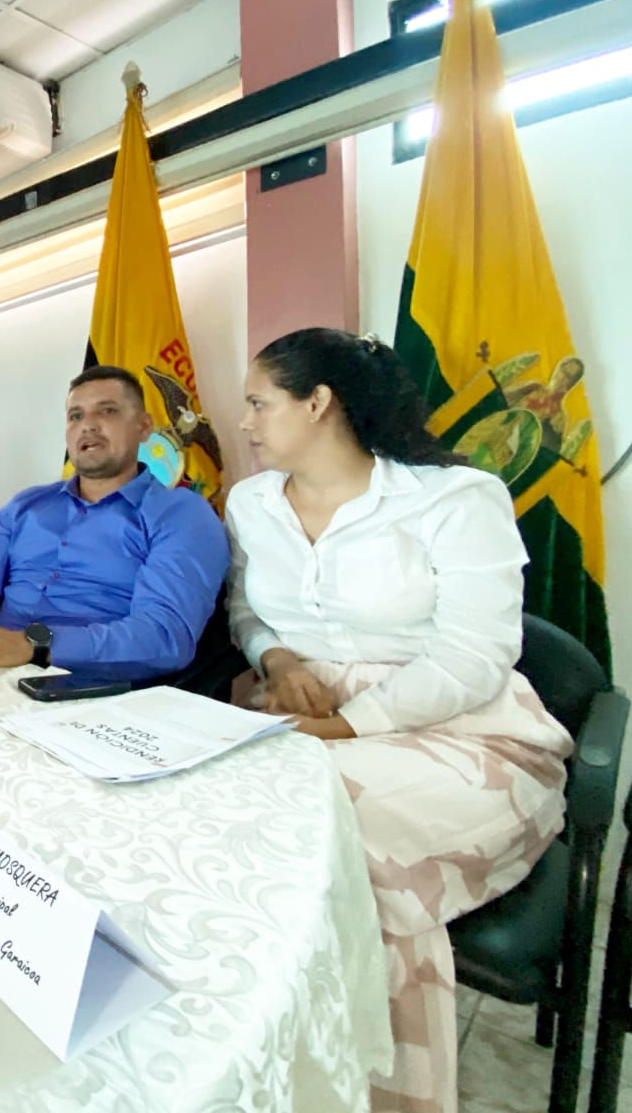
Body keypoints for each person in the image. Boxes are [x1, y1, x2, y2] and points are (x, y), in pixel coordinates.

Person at [225, 327, 573, 1113]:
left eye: (259, 403)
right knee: (233, 827)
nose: (244, 422)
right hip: (303, 717)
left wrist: (350, 726)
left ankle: (378, 1094)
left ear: (318, 403)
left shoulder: (455, 498)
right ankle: (254, 1068)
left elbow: (477, 655)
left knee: (337, 857)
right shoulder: (251, 502)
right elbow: (246, 608)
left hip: (466, 732)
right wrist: (278, 660)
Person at [0, 364, 228, 676]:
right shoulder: (25, 506)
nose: (88, 425)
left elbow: (164, 637)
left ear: (144, 427)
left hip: (89, 684)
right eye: (76, 416)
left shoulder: (181, 515)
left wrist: (32, 645)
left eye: (107, 411)